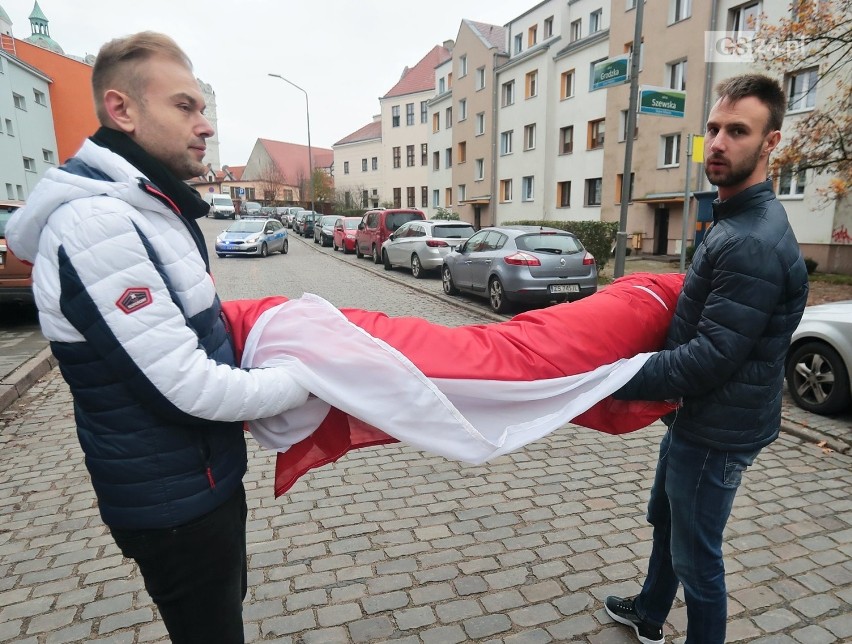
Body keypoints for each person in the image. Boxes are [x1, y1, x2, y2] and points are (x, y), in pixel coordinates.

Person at [5, 32, 310, 643]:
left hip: (196, 480)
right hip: (173, 502)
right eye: (184, 107)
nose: (204, 126)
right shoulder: (97, 225)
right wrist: (306, 380)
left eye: (202, 108)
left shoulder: (147, 207)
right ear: (123, 111)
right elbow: (183, 385)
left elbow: (193, 328)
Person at [603, 74, 809, 643]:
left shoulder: (750, 240)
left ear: (771, 143)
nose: (718, 143)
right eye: (714, 129)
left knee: (699, 560)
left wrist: (614, 376)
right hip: (702, 417)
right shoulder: (736, 221)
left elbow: (710, 357)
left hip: (717, 427)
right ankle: (648, 614)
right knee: (667, 519)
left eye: (738, 131)